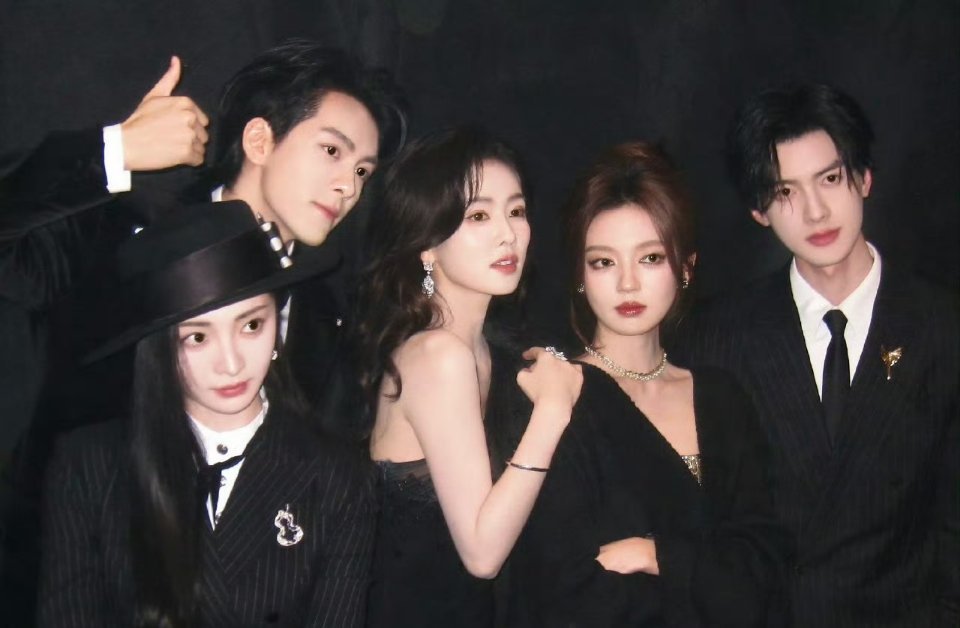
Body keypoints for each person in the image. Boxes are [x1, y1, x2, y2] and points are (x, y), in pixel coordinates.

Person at [670, 83, 959, 627]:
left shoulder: (942, 327)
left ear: (864, 178)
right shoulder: (716, 338)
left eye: (830, 179)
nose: (816, 211)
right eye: (785, 192)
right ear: (759, 211)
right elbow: (705, 525)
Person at [37, 200, 375, 627]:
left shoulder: (338, 478)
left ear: (278, 323)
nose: (231, 364)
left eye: (251, 325)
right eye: (197, 338)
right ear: (159, 351)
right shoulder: (90, 467)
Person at [502, 142, 791, 627]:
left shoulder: (721, 396)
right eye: (603, 262)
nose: (628, 284)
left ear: (686, 267)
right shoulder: (555, 394)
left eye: (651, 258)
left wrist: (656, 555)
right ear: (579, 275)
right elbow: (562, 592)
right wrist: (708, 578)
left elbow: (765, 570)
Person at [354, 127, 583, 628]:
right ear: (427, 245)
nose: (508, 234)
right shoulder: (437, 356)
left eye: (516, 211)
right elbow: (482, 553)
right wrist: (552, 410)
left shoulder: (485, 348)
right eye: (479, 216)